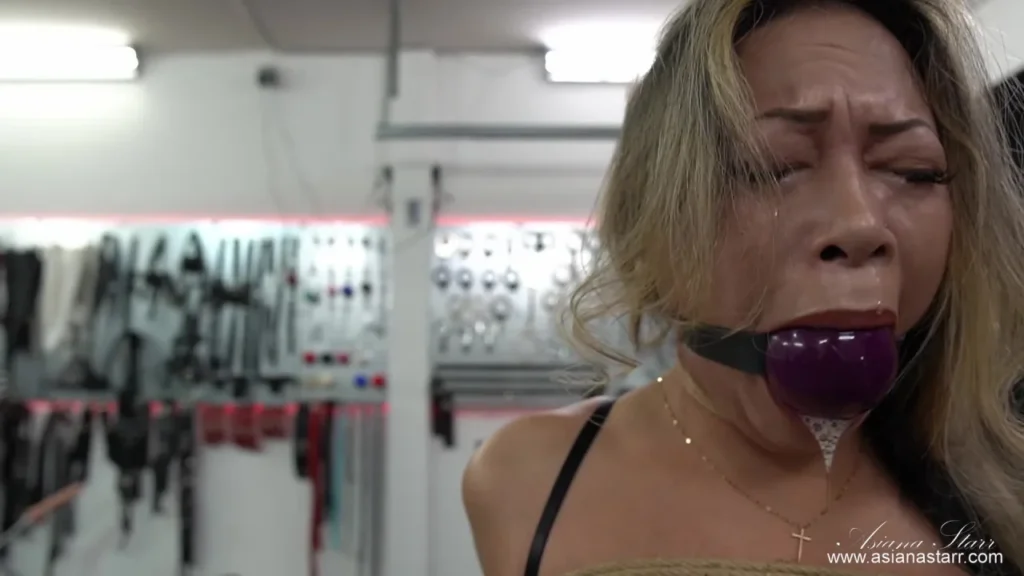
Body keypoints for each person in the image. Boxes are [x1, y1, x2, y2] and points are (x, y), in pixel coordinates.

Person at [461, 1, 1024, 576]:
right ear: (655, 218)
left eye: (913, 171)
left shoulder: (1000, 498)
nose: (860, 224)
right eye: (771, 166)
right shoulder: (525, 478)